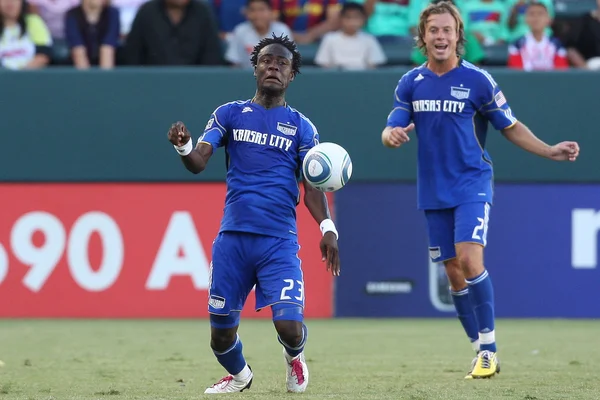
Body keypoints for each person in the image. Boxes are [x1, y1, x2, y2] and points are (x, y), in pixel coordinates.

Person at [380, 1, 579, 379]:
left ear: (458, 36)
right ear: (422, 37)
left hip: (472, 182)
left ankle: (488, 349)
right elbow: (392, 128)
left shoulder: (479, 80)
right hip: (433, 190)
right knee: (453, 273)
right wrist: (390, 136)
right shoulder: (410, 82)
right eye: (433, 30)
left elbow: (511, 126)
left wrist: (549, 150)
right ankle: (478, 349)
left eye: (447, 30)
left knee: (471, 261)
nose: (440, 36)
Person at [167, 33, 340, 394]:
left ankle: (295, 357)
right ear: (255, 68)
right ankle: (241, 376)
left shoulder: (302, 127)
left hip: (278, 241)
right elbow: (199, 162)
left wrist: (327, 228)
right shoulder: (228, 114)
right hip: (233, 240)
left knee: (289, 328)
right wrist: (184, 146)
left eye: (282, 63)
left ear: (292, 75)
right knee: (220, 335)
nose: (273, 66)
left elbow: (312, 187)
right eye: (266, 60)